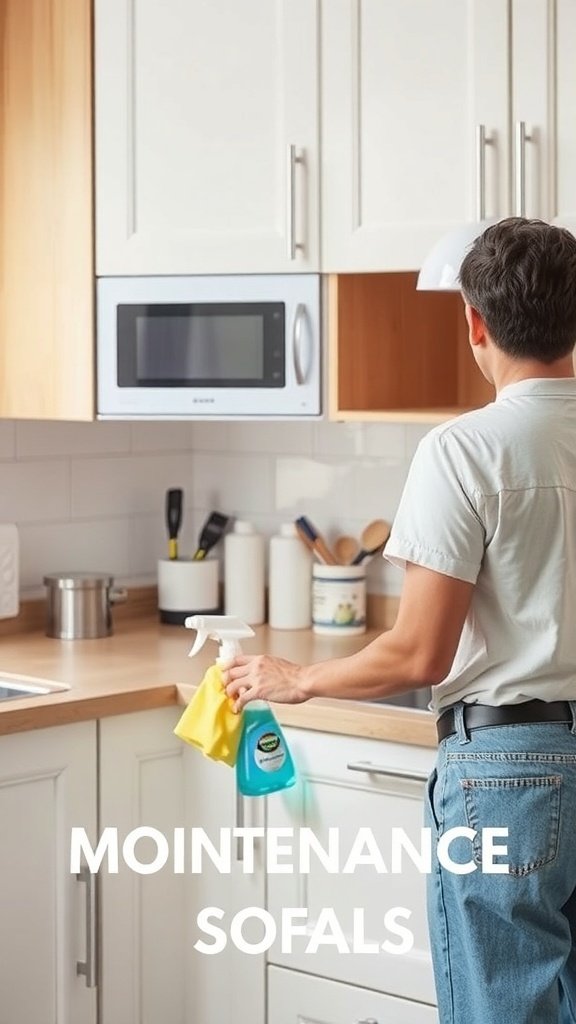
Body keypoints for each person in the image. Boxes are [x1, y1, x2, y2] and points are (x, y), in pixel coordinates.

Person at [224, 217, 576, 1024]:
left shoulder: (465, 451)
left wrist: (301, 677)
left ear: (475, 323)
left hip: (509, 771)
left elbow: (421, 652)